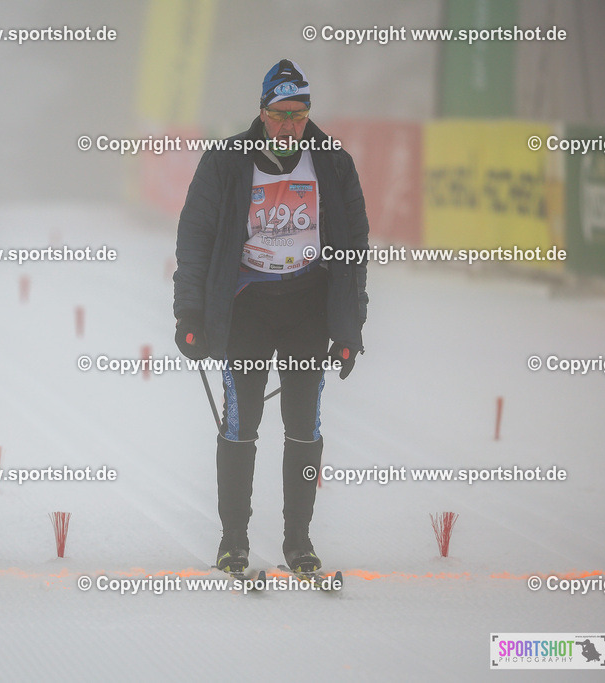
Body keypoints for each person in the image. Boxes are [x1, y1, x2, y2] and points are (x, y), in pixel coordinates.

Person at [173, 60, 369, 574]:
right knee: (241, 425)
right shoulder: (226, 161)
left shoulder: (333, 163)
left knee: (305, 426)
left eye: (299, 115)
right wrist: (190, 313)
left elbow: (353, 248)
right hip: (247, 306)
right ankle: (233, 540)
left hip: (307, 304)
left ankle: (297, 542)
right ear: (262, 113)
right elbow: (194, 242)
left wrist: (350, 329)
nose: (289, 126)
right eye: (280, 115)